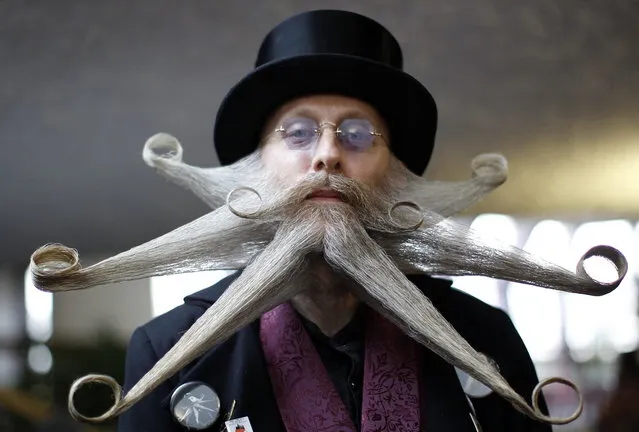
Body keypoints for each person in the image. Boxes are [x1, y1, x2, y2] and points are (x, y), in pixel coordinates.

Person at [30, 9, 626, 432]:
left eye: (359, 134)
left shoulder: (485, 337)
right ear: (255, 170)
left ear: (393, 176)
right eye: (297, 132)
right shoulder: (167, 351)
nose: (327, 154)